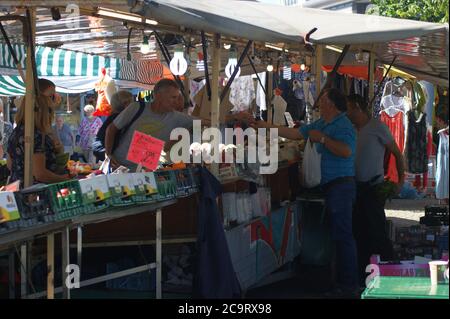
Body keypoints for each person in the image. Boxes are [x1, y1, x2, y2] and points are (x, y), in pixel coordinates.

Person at [254, 88, 359, 297]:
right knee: (337, 236)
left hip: (342, 186)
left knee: (343, 236)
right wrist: (266, 126)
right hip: (332, 186)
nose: (319, 104)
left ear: (330, 104)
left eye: (323, 100)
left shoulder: (343, 125)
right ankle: (338, 283)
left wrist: (323, 140)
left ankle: (348, 286)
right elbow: (296, 133)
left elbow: (347, 151)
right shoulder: (324, 123)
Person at [106, 79, 254, 170]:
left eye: (178, 98)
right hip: (119, 165)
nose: (177, 102)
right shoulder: (136, 108)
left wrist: (236, 116)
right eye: (173, 97)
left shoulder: (177, 117)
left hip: (144, 171)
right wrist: (108, 154)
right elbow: (111, 129)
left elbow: (210, 121)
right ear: (158, 96)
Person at [346, 94, 404, 285]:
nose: (347, 113)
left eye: (349, 109)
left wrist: (400, 181)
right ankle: (365, 275)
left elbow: (397, 153)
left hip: (373, 187)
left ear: (357, 108)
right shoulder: (351, 129)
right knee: (360, 233)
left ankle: (392, 273)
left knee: (377, 232)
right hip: (356, 188)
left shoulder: (377, 127)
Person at [7, 94, 72, 186]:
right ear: (42, 112)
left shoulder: (16, 132)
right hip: (35, 193)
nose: (51, 113)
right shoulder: (37, 135)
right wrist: (65, 179)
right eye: (49, 110)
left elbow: (10, 164)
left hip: (17, 189)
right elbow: (40, 174)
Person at [92, 90, 133, 162]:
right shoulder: (119, 118)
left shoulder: (113, 117)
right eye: (132, 103)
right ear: (125, 104)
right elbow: (110, 133)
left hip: (104, 153)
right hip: (113, 158)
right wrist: (109, 155)